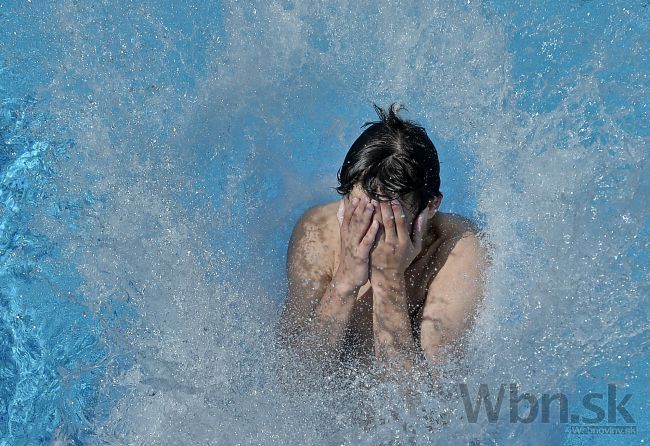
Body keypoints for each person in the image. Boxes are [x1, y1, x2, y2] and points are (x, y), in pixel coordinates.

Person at [278, 103, 491, 379]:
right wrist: (344, 282)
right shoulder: (317, 233)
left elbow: (423, 412)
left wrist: (389, 279)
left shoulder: (458, 250)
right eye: (360, 212)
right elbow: (289, 381)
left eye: (390, 220)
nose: (370, 232)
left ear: (430, 207)